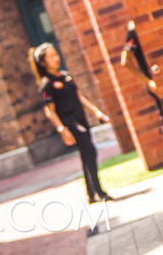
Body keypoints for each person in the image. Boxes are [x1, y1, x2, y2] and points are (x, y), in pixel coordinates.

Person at [29, 43, 112, 202]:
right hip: (70, 123)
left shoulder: (66, 76)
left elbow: (80, 97)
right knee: (90, 152)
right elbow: (50, 111)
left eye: (56, 54)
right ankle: (99, 192)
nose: (56, 58)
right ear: (43, 62)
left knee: (85, 155)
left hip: (82, 120)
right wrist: (62, 129)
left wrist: (97, 112)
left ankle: (91, 194)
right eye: (51, 56)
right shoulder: (47, 84)